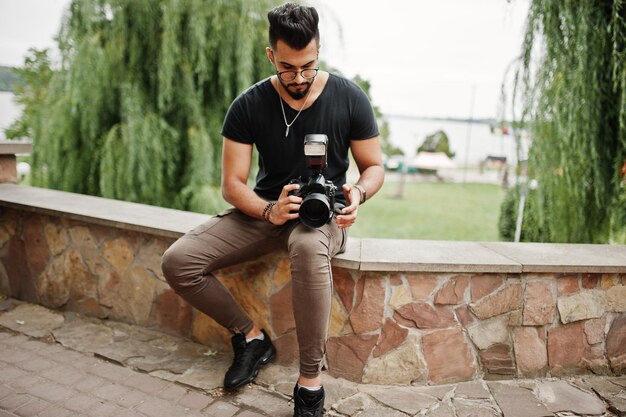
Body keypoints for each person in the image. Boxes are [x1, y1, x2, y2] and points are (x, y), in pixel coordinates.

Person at [161, 3, 384, 416]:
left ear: (318, 51)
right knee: (179, 261)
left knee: (307, 247)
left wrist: (359, 193)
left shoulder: (350, 97)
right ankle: (250, 338)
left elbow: (373, 167)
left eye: (308, 66)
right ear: (270, 56)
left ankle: (309, 384)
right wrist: (268, 212)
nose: (298, 78)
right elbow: (231, 184)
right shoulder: (248, 104)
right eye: (287, 68)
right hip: (266, 210)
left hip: (323, 217)